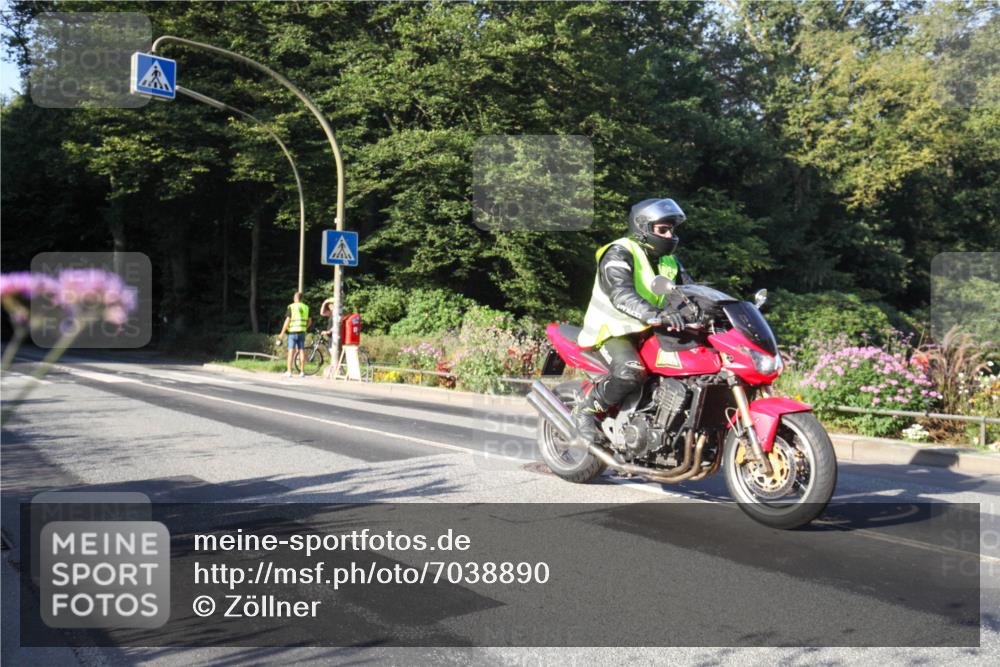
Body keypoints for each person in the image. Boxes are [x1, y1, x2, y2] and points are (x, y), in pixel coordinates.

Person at [573, 198, 700, 442]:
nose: (670, 234)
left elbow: (690, 292)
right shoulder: (619, 252)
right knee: (630, 372)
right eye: (663, 229)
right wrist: (654, 314)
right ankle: (586, 411)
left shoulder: (669, 261)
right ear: (643, 227)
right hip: (613, 331)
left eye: (671, 229)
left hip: (651, 330)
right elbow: (620, 292)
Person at [277, 291, 312, 378]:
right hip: (302, 332)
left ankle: (289, 372)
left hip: (292, 332)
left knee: (291, 352)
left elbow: (287, 321)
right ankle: (302, 372)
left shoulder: (291, 307)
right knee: (301, 351)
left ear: (295, 298)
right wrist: (305, 327)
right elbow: (310, 321)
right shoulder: (306, 307)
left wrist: (281, 333)